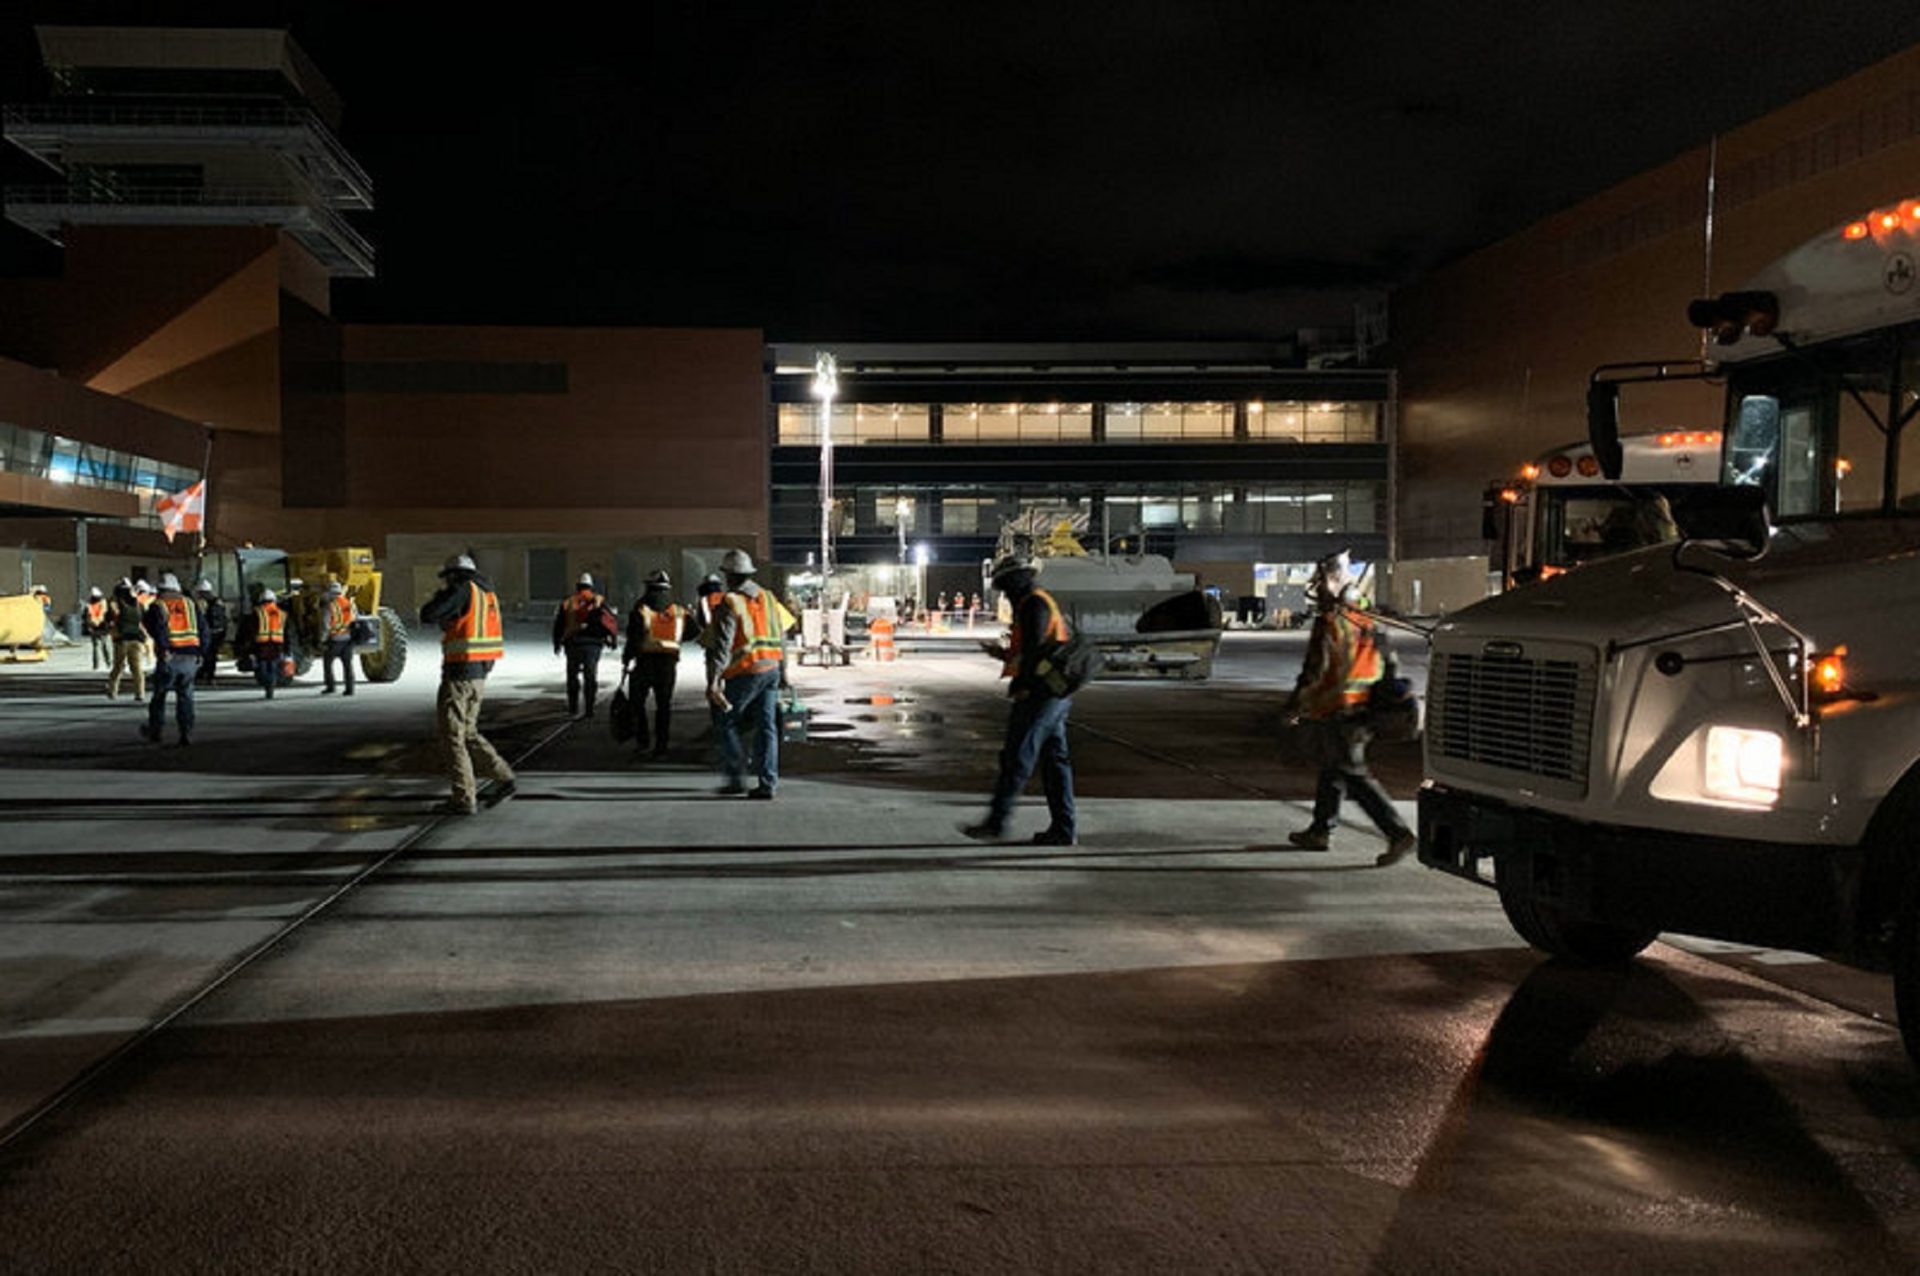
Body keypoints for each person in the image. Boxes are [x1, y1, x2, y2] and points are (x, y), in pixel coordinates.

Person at [1282, 550, 1415, 865]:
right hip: (1366, 707)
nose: (1318, 586)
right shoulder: (1368, 619)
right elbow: (1389, 664)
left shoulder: (1330, 623)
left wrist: (1293, 707)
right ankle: (1320, 830)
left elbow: (1314, 670)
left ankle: (1398, 833)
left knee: (1352, 773)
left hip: (1340, 707)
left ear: (1333, 580)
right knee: (1332, 768)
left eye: (1322, 579)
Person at [962, 554, 1077, 846]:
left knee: (1017, 758)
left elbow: (1036, 651)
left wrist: (1024, 685)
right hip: (1054, 692)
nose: (1004, 593)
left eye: (1005, 586)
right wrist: (1002, 654)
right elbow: (1032, 648)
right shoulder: (1035, 602)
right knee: (1054, 762)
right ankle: (1064, 830)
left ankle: (996, 823)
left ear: (1017, 580)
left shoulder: (1033, 604)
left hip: (1041, 694)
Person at [421, 553, 516, 815]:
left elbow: (428, 614)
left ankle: (463, 798)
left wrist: (441, 598)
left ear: (454, 575)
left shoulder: (462, 590)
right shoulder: (487, 594)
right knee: (469, 732)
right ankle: (503, 776)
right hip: (479, 674)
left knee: (453, 736)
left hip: (459, 673)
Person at [705, 548, 787, 799]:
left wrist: (714, 681)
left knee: (726, 721)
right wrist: (784, 672)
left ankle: (735, 776)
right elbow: (782, 636)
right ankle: (767, 783)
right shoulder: (770, 598)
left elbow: (723, 645)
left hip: (746, 671)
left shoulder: (730, 602)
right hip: (771, 669)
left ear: (730, 575)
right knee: (767, 727)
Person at [623, 568, 691, 759]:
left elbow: (633, 637)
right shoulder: (677, 610)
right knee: (664, 706)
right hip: (668, 664)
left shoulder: (641, 607)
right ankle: (661, 745)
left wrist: (626, 659)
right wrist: (675, 638)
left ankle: (643, 741)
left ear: (648, 587)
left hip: (644, 663)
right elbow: (693, 631)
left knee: (638, 703)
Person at [139, 572, 203, 746]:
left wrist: (163, 648)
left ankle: (156, 731)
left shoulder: (158, 605)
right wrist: (201, 652)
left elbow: (154, 628)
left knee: (159, 696)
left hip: (169, 658)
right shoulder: (190, 604)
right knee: (186, 697)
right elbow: (203, 630)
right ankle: (186, 732)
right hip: (190, 658)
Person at [552, 571, 616, 718]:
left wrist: (557, 643)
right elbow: (609, 621)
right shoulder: (598, 600)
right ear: (591, 586)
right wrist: (611, 639)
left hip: (572, 643)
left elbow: (559, 625)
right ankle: (589, 709)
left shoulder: (568, 602)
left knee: (572, 677)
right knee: (590, 677)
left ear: (577, 586)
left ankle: (573, 708)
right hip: (593, 645)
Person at [106, 578, 149, 701]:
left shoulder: (115, 603)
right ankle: (140, 693)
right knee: (137, 668)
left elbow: (110, 618)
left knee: (118, 666)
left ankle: (112, 691)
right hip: (137, 639)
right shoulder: (138, 604)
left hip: (121, 639)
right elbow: (143, 619)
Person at [241, 588, 288, 699]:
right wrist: (287, 648)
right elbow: (285, 632)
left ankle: (267, 685)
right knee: (273, 667)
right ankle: (270, 687)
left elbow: (251, 631)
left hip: (261, 645)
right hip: (277, 645)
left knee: (262, 668)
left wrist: (248, 647)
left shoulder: (257, 612)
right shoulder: (282, 614)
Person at [320, 581, 358, 696]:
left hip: (335, 639)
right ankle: (350, 689)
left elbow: (325, 624)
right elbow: (355, 620)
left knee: (327, 663)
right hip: (348, 639)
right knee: (347, 665)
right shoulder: (350, 604)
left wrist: (323, 639)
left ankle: (331, 686)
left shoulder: (330, 606)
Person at [195, 580, 228, 686]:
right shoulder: (219, 602)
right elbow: (225, 618)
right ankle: (209, 675)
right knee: (211, 655)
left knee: (206, 654)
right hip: (219, 632)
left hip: (207, 632)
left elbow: (200, 618)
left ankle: (206, 674)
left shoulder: (202, 603)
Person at [82, 586, 110, 669]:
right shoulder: (103, 603)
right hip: (102, 627)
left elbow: (86, 617)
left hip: (94, 627)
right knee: (104, 646)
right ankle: (108, 662)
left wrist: (89, 625)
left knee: (96, 647)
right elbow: (105, 615)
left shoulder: (89, 605)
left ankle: (96, 665)